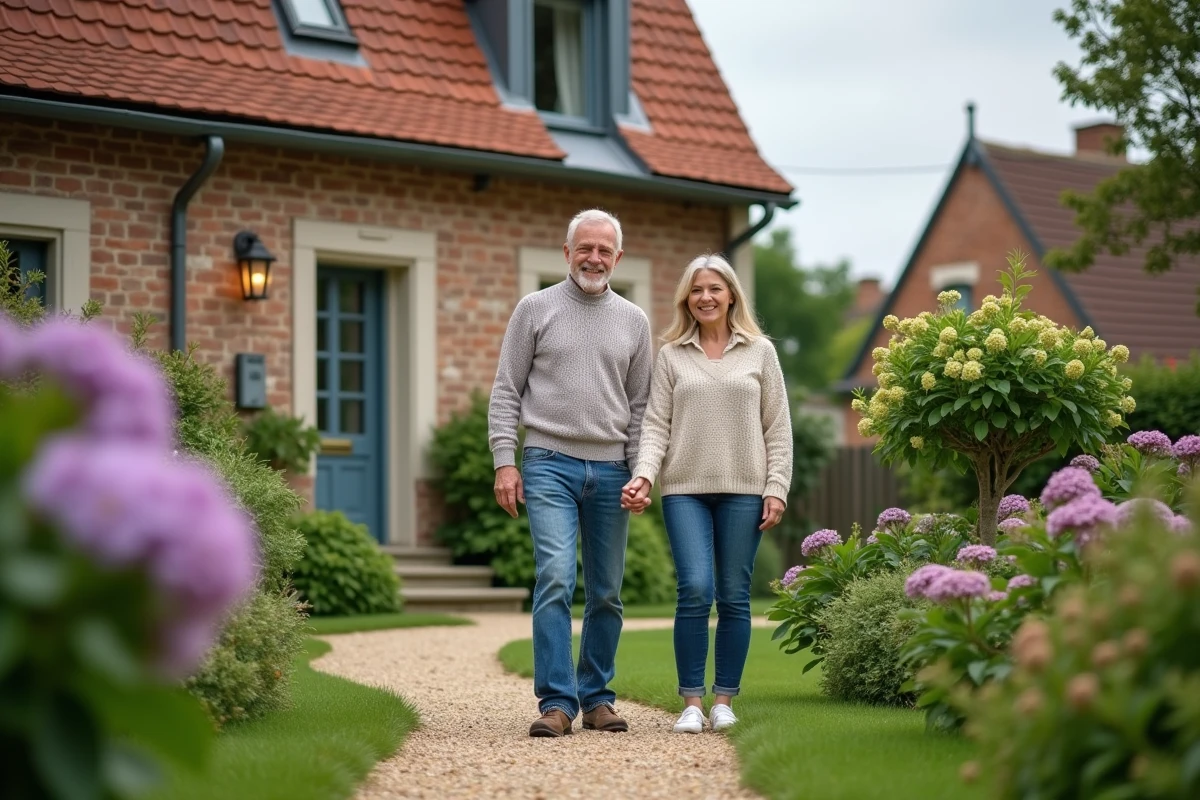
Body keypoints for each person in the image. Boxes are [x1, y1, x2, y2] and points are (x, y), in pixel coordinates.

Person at [488, 208, 653, 738]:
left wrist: (641, 471)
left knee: (605, 590)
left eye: (604, 250)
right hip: (547, 464)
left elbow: (643, 405)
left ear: (618, 258)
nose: (594, 257)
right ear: (567, 252)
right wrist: (504, 461)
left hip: (611, 470)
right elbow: (506, 391)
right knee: (555, 578)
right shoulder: (534, 309)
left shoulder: (634, 321)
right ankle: (557, 702)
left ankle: (598, 697)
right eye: (585, 247)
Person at [622, 253, 792, 734]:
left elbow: (777, 426)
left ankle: (724, 701)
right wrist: (645, 476)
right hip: (685, 491)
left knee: (735, 596)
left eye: (715, 288)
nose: (706, 297)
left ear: (732, 294)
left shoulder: (760, 352)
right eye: (697, 290)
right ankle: (692, 703)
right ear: (686, 299)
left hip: (745, 489)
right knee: (695, 590)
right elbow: (656, 425)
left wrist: (776, 486)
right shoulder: (672, 354)